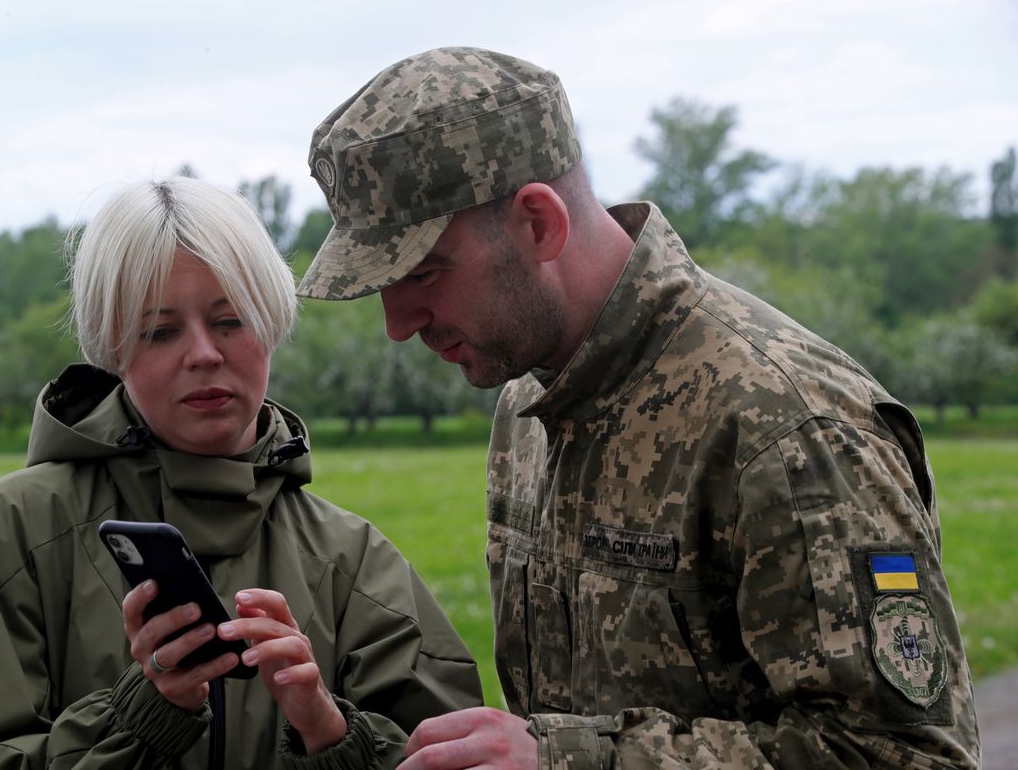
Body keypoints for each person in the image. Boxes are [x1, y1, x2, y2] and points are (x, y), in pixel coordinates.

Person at [297, 47, 980, 769]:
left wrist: (568, 760)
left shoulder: (784, 424)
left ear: (538, 223)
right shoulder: (529, 405)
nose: (398, 324)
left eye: (424, 272)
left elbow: (908, 756)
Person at [0, 176, 483, 768]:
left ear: (273, 324)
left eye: (230, 321)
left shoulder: (356, 563)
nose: (203, 353)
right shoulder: (10, 533)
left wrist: (328, 733)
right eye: (160, 331)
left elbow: (453, 752)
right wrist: (142, 716)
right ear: (112, 347)